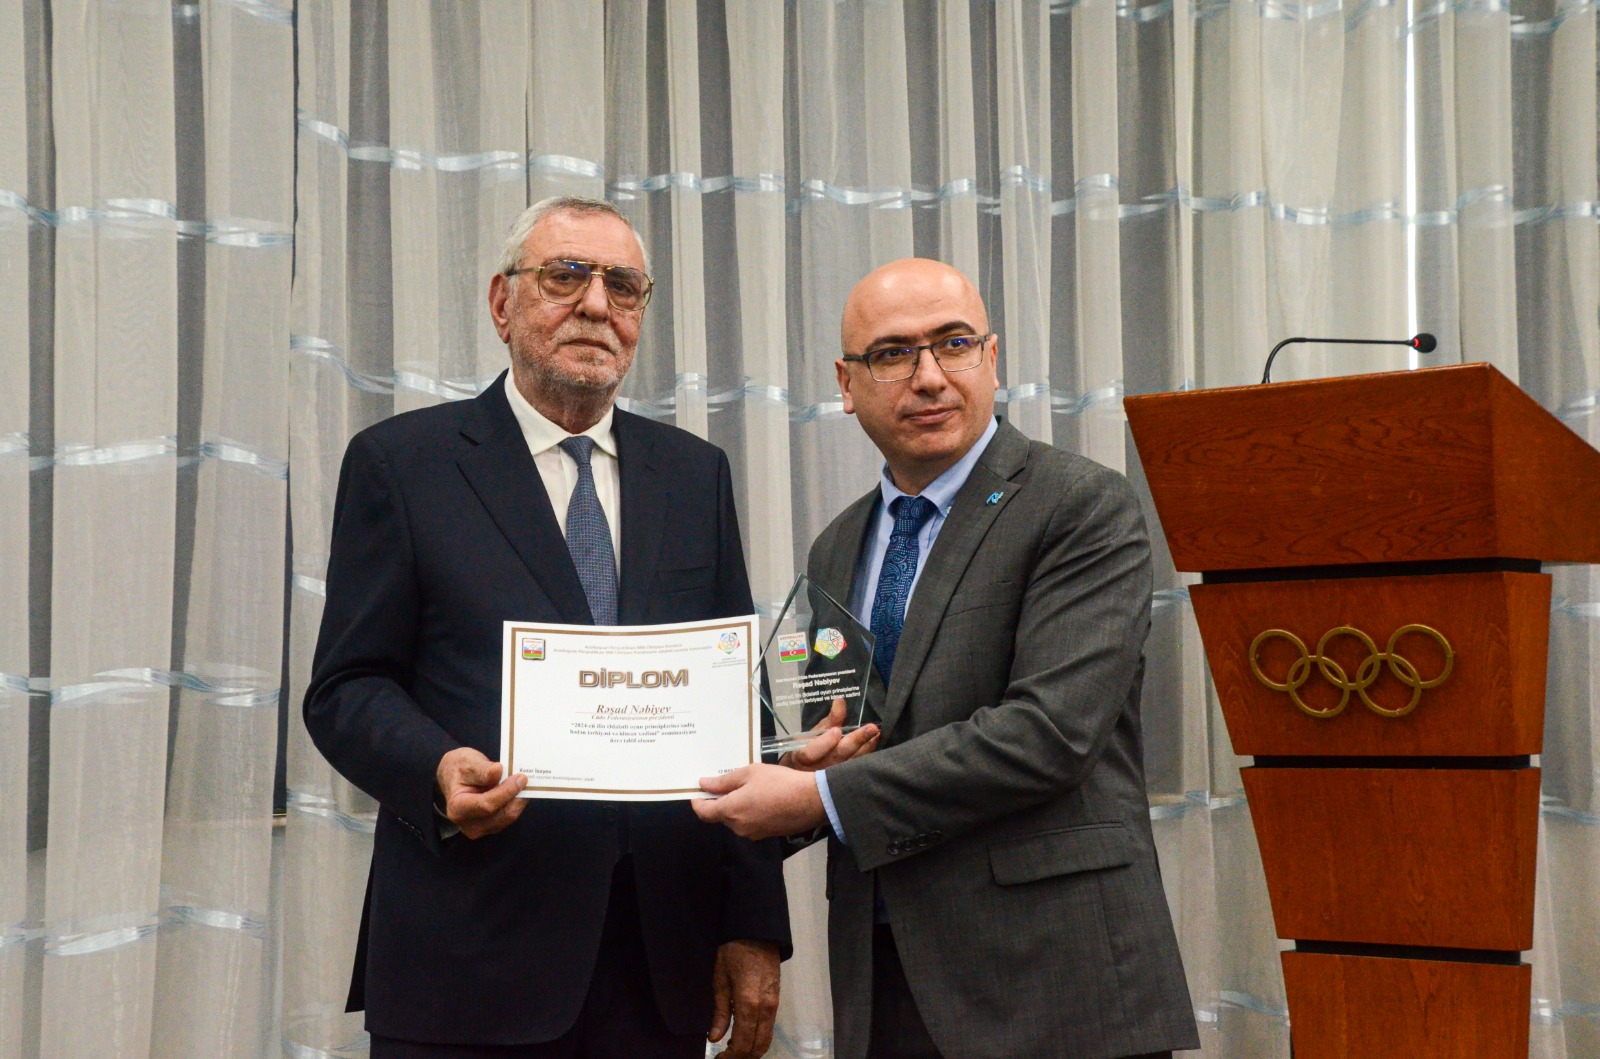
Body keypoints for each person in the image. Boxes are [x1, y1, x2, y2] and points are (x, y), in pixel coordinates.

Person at [304, 197, 790, 1059]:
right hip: (467, 961)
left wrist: (751, 922)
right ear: (503, 303)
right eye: (566, 277)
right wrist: (437, 770)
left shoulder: (694, 475)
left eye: (624, 286)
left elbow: (736, 709)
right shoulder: (403, 464)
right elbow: (347, 687)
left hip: (658, 967)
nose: (597, 305)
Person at [693, 259, 1200, 1059]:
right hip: (886, 981)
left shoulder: (1080, 505)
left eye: (954, 343)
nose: (929, 376)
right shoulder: (838, 545)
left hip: (1056, 984)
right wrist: (791, 768)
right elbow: (801, 737)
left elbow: (1048, 735)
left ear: (992, 358)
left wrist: (819, 793)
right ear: (846, 383)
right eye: (893, 353)